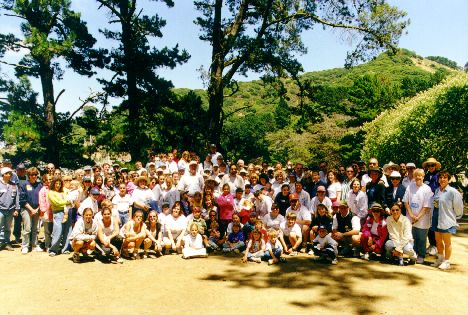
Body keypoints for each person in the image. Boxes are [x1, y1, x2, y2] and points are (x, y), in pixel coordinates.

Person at [431, 170, 463, 270]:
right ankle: (440, 259)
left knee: (447, 242)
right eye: (440, 177)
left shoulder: (453, 192)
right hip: (436, 218)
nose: (442, 179)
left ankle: (447, 261)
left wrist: (456, 217)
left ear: (448, 179)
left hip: (447, 220)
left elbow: (458, 207)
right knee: (438, 240)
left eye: (445, 177)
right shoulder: (437, 190)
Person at [402, 168, 433, 264]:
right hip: (410, 218)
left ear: (423, 177)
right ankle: (413, 254)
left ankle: (421, 255)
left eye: (420, 175)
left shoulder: (427, 189)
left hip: (422, 219)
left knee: (421, 238)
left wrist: (418, 217)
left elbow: (427, 206)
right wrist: (411, 215)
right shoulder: (410, 187)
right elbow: (405, 202)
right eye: (416, 175)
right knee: (411, 237)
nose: (418, 177)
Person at [19, 167, 43, 254]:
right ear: (28, 175)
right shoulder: (23, 185)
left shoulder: (40, 185)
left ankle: (34, 245)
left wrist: (36, 209)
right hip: (26, 209)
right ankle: (25, 246)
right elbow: (22, 200)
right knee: (27, 228)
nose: (34, 176)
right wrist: (31, 210)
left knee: (35, 228)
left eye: (35, 174)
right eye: (32, 175)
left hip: (37, 209)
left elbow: (42, 198)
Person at [48, 177, 73, 256]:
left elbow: (71, 196)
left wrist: (68, 202)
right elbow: (57, 203)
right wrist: (67, 202)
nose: (58, 185)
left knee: (68, 230)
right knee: (58, 231)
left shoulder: (64, 191)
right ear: (53, 184)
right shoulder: (51, 192)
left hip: (68, 211)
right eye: (56, 183)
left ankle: (65, 248)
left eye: (59, 183)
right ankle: (53, 250)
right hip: (58, 213)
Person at [0, 167, 20, 251]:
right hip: (0, 209)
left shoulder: (14, 185)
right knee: (0, 226)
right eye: (8, 173)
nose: (10, 175)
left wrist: (17, 209)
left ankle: (7, 243)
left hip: (10, 209)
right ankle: (1, 243)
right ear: (3, 174)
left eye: (10, 173)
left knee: (8, 227)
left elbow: (17, 198)